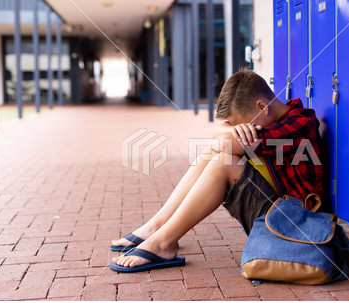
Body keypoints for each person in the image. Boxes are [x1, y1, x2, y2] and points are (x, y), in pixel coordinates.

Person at [109, 69, 326, 272]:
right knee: (210, 154)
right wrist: (228, 128)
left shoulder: (299, 123)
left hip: (295, 221)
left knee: (222, 161)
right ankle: (157, 227)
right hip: (278, 205)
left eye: (243, 126)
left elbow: (224, 144)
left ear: (262, 107)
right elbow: (218, 137)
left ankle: (163, 243)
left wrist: (226, 133)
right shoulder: (273, 117)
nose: (241, 131)